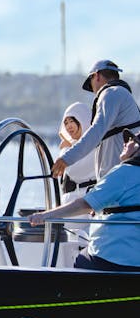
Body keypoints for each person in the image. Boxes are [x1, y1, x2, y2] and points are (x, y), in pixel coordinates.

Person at [29, 128, 140, 272]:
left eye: (132, 141)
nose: (125, 143)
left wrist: (45, 216)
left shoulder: (124, 172)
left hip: (111, 255)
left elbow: (84, 204)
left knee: (81, 260)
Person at [52, 60, 140, 181]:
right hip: (124, 176)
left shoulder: (110, 93)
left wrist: (66, 158)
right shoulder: (122, 95)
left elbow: (97, 130)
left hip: (119, 178)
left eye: (91, 82)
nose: (93, 90)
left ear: (97, 75)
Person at [57, 102, 96, 241]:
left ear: (84, 120)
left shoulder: (94, 145)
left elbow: (74, 169)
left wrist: (64, 150)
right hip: (71, 205)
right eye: (66, 122)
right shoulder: (71, 148)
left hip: (86, 204)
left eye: (72, 121)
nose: (68, 126)